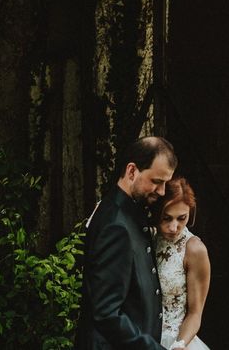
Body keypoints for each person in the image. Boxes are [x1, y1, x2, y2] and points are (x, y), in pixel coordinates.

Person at [76, 136, 178, 350]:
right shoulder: (116, 225)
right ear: (132, 171)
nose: (161, 191)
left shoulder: (128, 210)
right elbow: (106, 313)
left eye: (165, 183)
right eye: (157, 181)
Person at [154, 178, 211, 350]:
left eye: (182, 218)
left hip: (176, 339)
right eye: (166, 218)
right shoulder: (145, 237)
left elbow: (195, 313)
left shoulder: (194, 250)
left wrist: (180, 344)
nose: (173, 227)